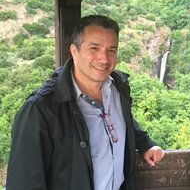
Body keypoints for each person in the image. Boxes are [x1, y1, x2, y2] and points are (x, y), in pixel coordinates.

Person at [6, 15, 165, 190]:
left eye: (111, 50)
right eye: (94, 48)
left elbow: (123, 120)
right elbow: (24, 182)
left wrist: (145, 143)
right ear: (74, 51)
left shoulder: (118, 86)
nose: (104, 59)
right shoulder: (40, 109)